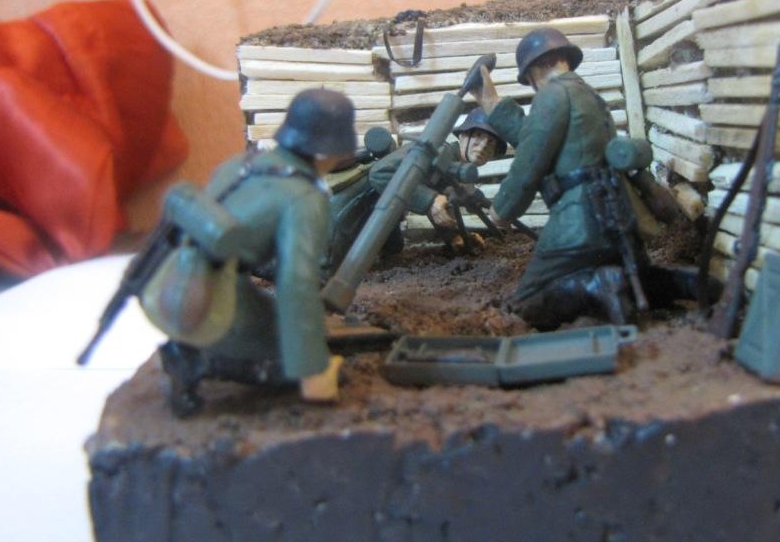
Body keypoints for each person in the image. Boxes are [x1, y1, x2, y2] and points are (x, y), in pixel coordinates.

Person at [138, 89, 357, 415]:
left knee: (284, 326)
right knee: (289, 348)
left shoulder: (241, 164)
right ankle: (197, 362)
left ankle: (194, 345)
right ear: (331, 150)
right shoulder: (305, 199)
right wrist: (313, 370)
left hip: (169, 280)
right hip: (214, 300)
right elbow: (296, 286)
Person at [472, 27, 649, 329]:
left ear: (536, 69)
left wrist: (502, 209)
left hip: (578, 220)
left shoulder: (551, 96)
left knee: (526, 303)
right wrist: (492, 103)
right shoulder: (587, 94)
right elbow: (539, 137)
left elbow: (529, 163)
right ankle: (603, 289)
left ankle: (596, 286)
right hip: (614, 214)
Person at [367, 107, 506, 252]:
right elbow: (379, 174)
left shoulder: (457, 170)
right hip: (364, 213)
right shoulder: (432, 152)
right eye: (478, 136)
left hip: (384, 218)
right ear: (463, 136)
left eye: (491, 143)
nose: (483, 146)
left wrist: (456, 237)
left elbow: (440, 207)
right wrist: (430, 199)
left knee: (393, 248)